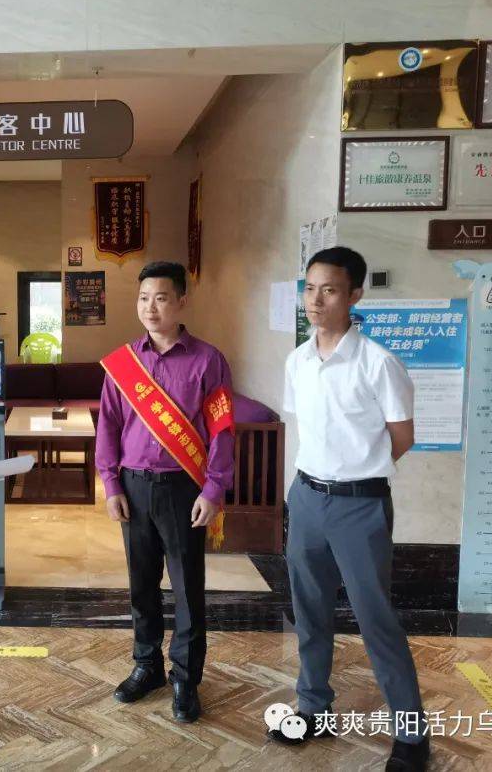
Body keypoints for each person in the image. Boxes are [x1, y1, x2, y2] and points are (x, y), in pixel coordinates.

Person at [272, 247, 429, 772]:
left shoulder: (378, 363)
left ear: (355, 295)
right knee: (309, 611)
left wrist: (360, 471)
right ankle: (313, 709)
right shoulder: (298, 360)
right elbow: (311, 430)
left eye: (330, 290)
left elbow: (401, 436)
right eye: (309, 288)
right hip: (306, 499)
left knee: (374, 618)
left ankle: (411, 734)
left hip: (360, 507)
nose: (315, 300)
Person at [96, 261, 235, 724]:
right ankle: (147, 666)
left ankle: (186, 678)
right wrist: (110, 483)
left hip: (183, 489)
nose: (150, 308)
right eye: (143, 298)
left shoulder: (209, 361)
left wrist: (214, 488)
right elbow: (108, 426)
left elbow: (221, 430)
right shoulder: (123, 365)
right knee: (141, 585)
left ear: (181, 302)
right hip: (133, 487)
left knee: (187, 588)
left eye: (160, 298)